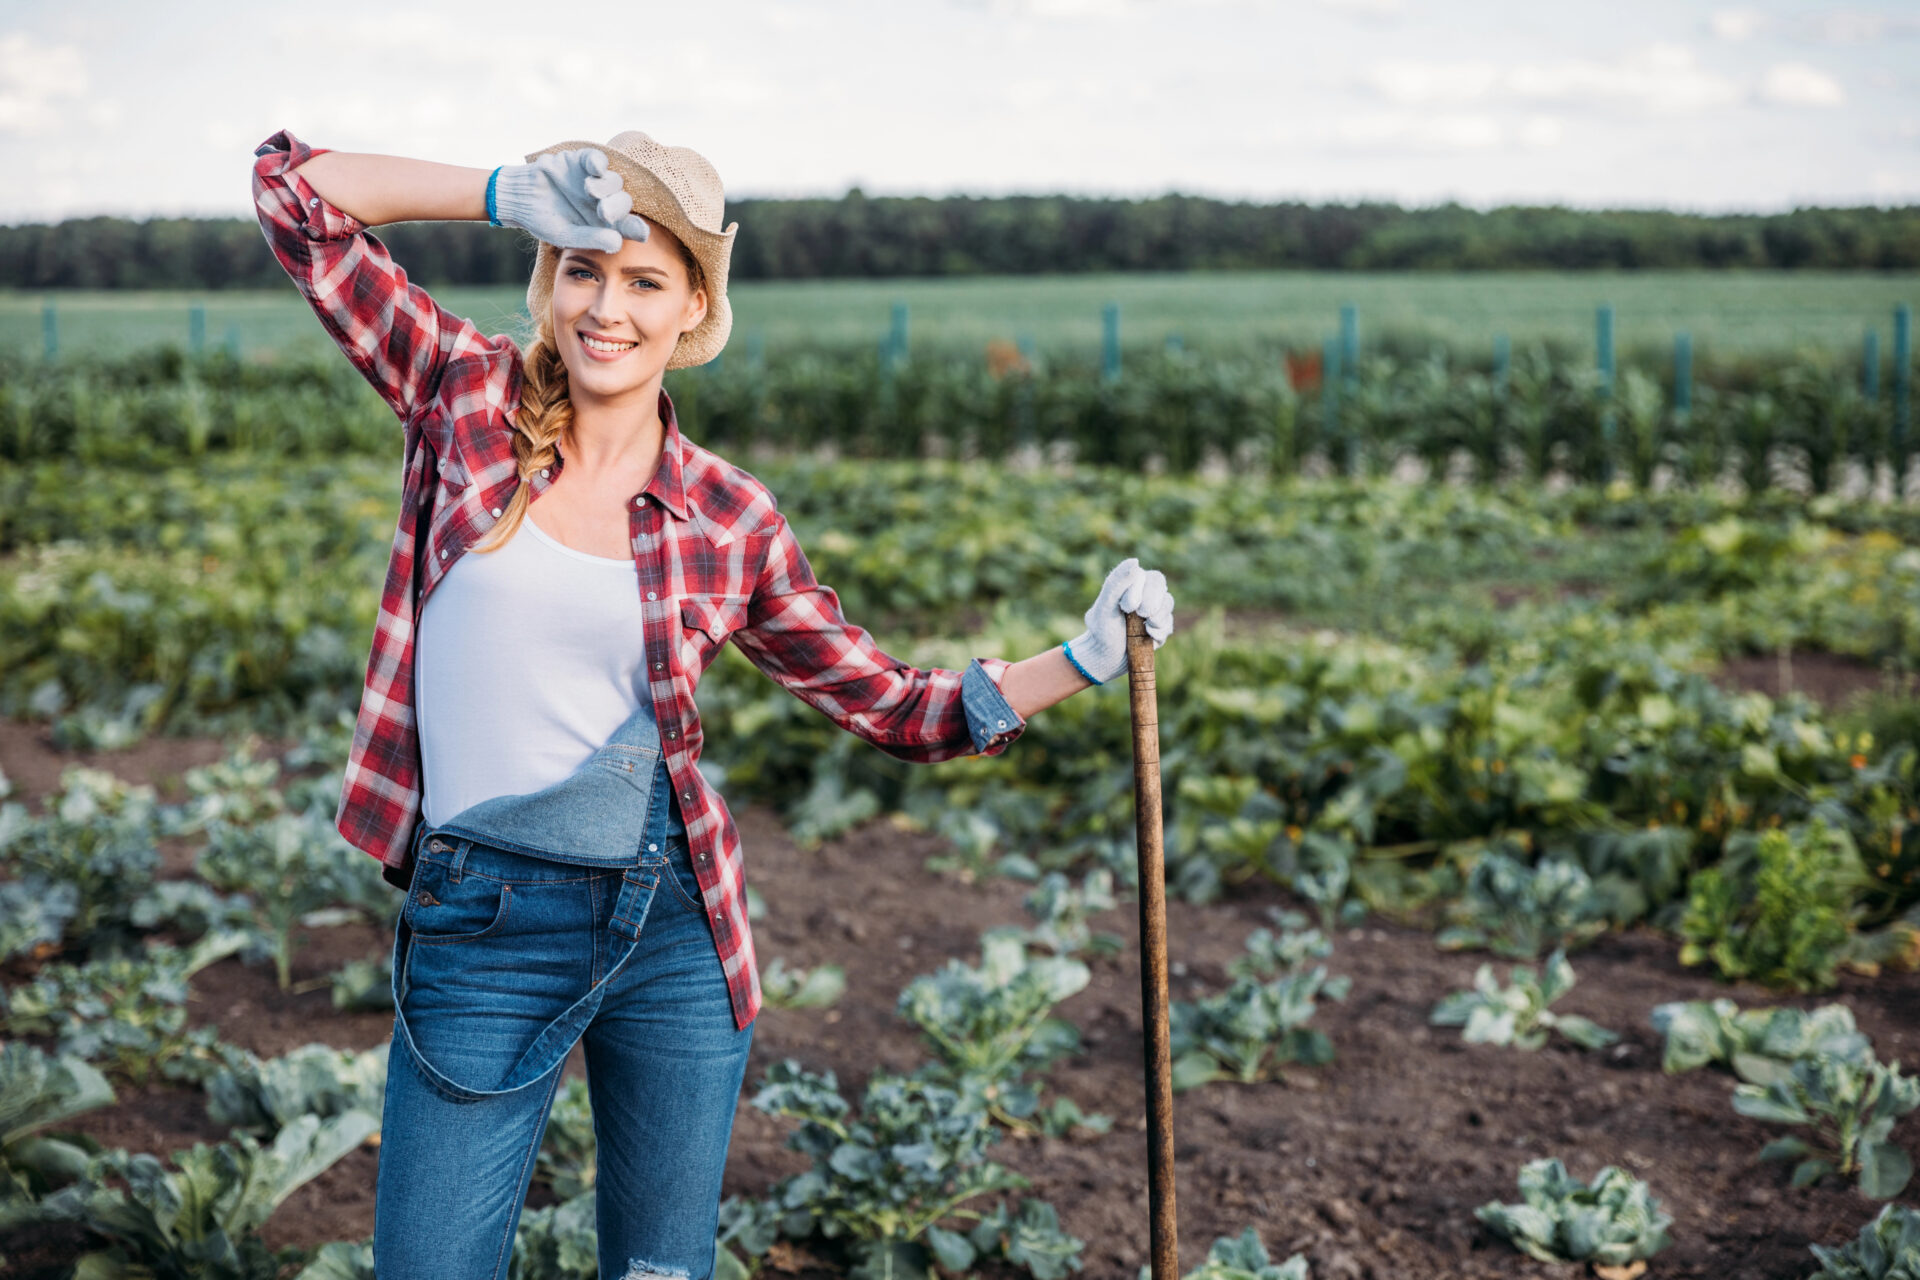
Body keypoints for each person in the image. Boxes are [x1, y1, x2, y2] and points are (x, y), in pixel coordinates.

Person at [250, 126, 1175, 1280]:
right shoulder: (463, 395)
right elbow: (293, 195)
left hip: (672, 923)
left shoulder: (728, 516)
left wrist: (1080, 657)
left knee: (661, 1271)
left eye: (646, 279)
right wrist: (500, 192)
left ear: (692, 309)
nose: (607, 308)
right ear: (551, 277)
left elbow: (894, 705)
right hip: (480, 921)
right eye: (584, 267)